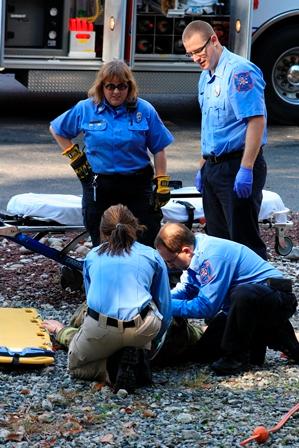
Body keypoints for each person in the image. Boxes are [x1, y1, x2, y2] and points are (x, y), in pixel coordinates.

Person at [43, 204, 172, 393]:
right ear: (135, 227)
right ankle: (137, 357)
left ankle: (111, 369)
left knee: (76, 367)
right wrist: (156, 339)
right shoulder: (152, 255)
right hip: (144, 327)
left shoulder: (93, 256)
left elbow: (91, 302)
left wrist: (64, 331)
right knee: (149, 302)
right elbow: (165, 306)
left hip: (102, 328)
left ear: (103, 232)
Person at [49, 60, 174, 247]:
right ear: (102, 87)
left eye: (122, 86)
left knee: (144, 238)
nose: (116, 92)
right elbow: (57, 129)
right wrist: (75, 157)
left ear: (129, 87)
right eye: (110, 86)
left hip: (137, 185)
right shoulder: (86, 108)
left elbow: (159, 148)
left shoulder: (144, 110)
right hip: (99, 185)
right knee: (101, 241)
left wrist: (162, 181)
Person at [155, 222, 299, 375]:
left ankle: (237, 357)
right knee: (202, 352)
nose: (170, 266)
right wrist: (158, 300)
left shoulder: (212, 256)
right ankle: (262, 342)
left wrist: (166, 306)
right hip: (241, 308)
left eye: (170, 261)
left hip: (276, 298)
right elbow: (186, 288)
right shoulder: (195, 251)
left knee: (243, 294)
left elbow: (206, 307)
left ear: (186, 250)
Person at [182, 20, 268, 260]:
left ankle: (256, 294)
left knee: (243, 242)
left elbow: (256, 121)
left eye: (199, 50)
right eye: (190, 54)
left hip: (236, 166)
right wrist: (203, 165)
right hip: (214, 167)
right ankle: (225, 294)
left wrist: (246, 168)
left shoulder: (239, 72)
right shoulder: (206, 76)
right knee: (217, 241)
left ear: (214, 40)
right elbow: (211, 128)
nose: (196, 58)